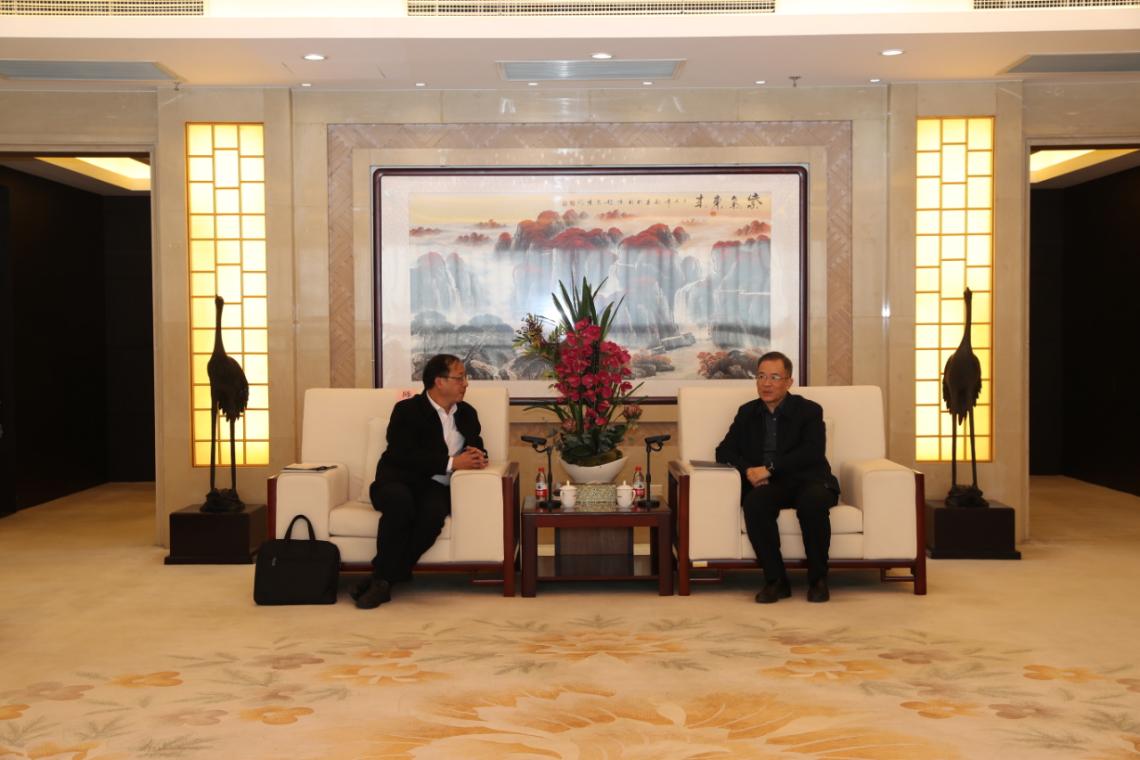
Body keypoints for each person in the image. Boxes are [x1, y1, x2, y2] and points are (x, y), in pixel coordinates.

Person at [352, 354, 489, 609]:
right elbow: (402, 455)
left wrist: (478, 456)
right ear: (439, 381)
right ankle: (383, 581)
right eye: (460, 378)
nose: (466, 383)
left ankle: (382, 578)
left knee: (433, 515)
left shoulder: (467, 413)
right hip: (397, 479)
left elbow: (477, 444)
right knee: (400, 503)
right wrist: (452, 463)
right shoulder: (406, 410)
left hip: (434, 486)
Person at [715, 351, 840, 603]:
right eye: (761, 376)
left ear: (788, 382)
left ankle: (818, 579)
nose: (766, 383)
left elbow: (812, 452)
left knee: (813, 503)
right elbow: (724, 451)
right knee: (755, 503)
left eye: (774, 377)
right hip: (772, 485)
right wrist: (749, 470)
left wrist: (769, 468)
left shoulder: (809, 410)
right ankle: (776, 580)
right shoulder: (747, 412)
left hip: (809, 479)